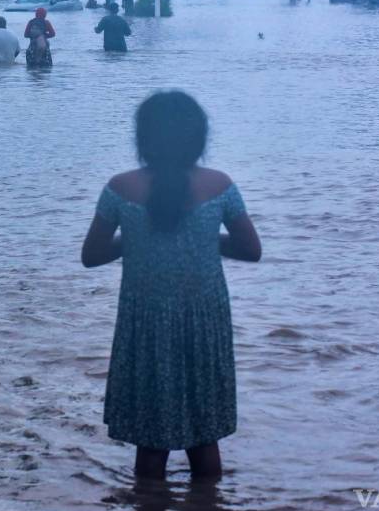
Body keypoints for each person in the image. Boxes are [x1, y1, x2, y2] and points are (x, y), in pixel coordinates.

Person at [80, 91, 262, 481]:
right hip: (204, 320)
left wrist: (132, 237)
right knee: (204, 438)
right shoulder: (220, 185)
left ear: (143, 138)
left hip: (145, 324)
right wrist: (206, 236)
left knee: (151, 441)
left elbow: (92, 255)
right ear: (198, 137)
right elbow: (251, 249)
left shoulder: (119, 187)